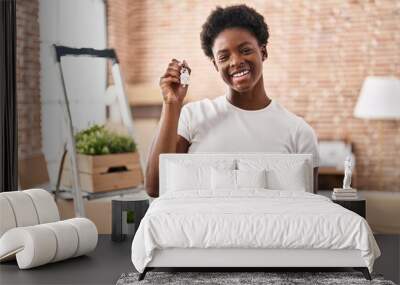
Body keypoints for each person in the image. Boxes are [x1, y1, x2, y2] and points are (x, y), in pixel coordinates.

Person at [146, 4, 319, 197]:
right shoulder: (193, 116)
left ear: (263, 52)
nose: (236, 61)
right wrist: (172, 103)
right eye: (224, 56)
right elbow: (156, 187)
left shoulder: (299, 132)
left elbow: (308, 207)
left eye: (245, 50)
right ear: (215, 65)